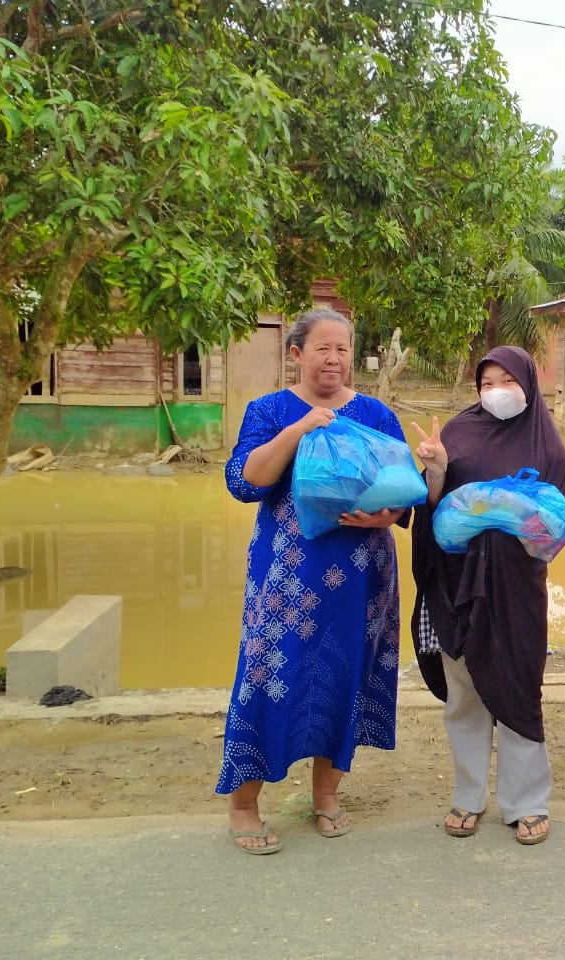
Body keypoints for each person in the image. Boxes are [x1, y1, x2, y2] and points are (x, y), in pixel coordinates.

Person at [216, 308, 409, 854]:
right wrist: (299, 430)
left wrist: (388, 515)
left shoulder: (375, 413)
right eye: (323, 348)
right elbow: (245, 481)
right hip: (287, 580)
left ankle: (325, 796)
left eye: (343, 349)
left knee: (344, 678)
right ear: (296, 353)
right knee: (267, 679)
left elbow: (402, 488)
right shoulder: (270, 410)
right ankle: (244, 804)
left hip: (361, 579)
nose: (335, 359)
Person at [409, 346, 565, 846]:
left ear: (528, 382)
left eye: (507, 379)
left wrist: (508, 516)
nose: (496, 390)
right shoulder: (457, 433)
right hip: (455, 585)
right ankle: (468, 795)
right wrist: (435, 470)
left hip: (515, 591)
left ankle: (527, 802)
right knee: (465, 696)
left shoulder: (550, 450)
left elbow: (552, 535)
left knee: (519, 691)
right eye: (486, 382)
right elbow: (429, 510)